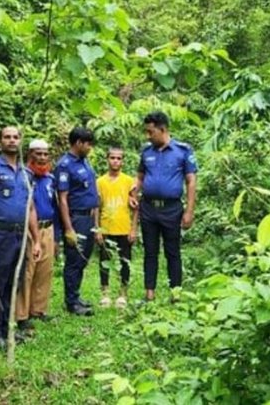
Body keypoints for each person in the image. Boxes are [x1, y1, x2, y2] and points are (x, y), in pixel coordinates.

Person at [0, 126, 41, 348]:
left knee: (15, 282)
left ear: (21, 141)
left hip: (20, 236)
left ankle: (6, 329)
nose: (12, 141)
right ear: (0, 141)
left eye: (15, 137)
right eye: (7, 137)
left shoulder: (27, 173)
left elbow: (30, 208)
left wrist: (36, 239)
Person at [133, 111, 197, 302]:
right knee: (150, 252)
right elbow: (140, 177)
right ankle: (149, 293)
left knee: (172, 252)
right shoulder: (146, 151)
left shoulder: (183, 151)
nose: (148, 136)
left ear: (163, 130)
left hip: (172, 209)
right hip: (149, 208)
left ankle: (175, 293)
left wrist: (189, 211)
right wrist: (134, 193)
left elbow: (191, 182)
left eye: (151, 132)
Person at [55, 127, 99, 316]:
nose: (90, 147)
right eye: (88, 144)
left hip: (88, 217)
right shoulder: (65, 165)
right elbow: (62, 198)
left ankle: (76, 295)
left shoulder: (85, 162)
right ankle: (71, 302)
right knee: (74, 260)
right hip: (76, 217)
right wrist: (69, 228)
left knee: (82, 259)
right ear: (79, 143)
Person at [15, 139, 56, 333]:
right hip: (29, 230)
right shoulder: (23, 176)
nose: (42, 157)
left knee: (45, 270)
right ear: (29, 155)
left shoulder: (50, 179)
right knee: (27, 271)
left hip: (48, 228)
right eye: (38, 154)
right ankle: (21, 315)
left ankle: (38, 309)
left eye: (45, 154)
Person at [95, 147, 138, 308]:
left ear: (123, 161)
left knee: (125, 261)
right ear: (107, 159)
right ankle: (105, 293)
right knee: (104, 261)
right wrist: (97, 229)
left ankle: (122, 293)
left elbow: (135, 207)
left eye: (119, 158)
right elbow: (96, 208)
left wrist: (133, 229)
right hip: (106, 228)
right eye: (112, 158)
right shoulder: (100, 182)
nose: (115, 161)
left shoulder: (128, 181)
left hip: (124, 228)